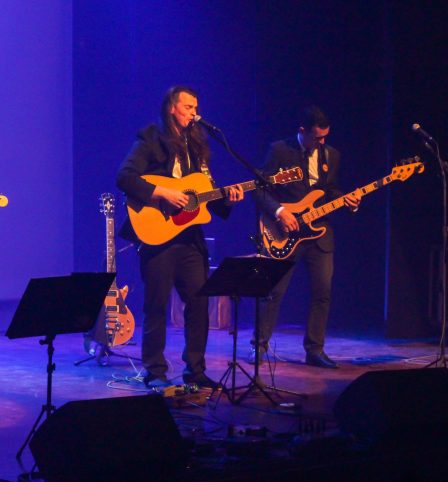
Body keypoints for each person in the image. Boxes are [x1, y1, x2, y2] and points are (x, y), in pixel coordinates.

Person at [117, 85, 244, 389]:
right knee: (156, 304)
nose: (194, 113)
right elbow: (125, 177)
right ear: (172, 107)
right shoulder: (151, 137)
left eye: (196, 108)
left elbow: (204, 193)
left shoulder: (197, 146)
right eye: (188, 107)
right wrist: (163, 192)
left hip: (189, 239)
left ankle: (195, 370)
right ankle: (155, 371)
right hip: (157, 234)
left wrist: (228, 198)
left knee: (199, 303)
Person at [251, 105, 361, 369]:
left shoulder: (332, 155)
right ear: (302, 130)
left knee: (323, 292)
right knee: (273, 291)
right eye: (317, 137)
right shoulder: (280, 150)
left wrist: (348, 200)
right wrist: (279, 212)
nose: (321, 142)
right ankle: (259, 346)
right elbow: (258, 188)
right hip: (284, 230)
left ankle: (315, 350)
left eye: (325, 137)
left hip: (319, 233)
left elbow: (330, 190)